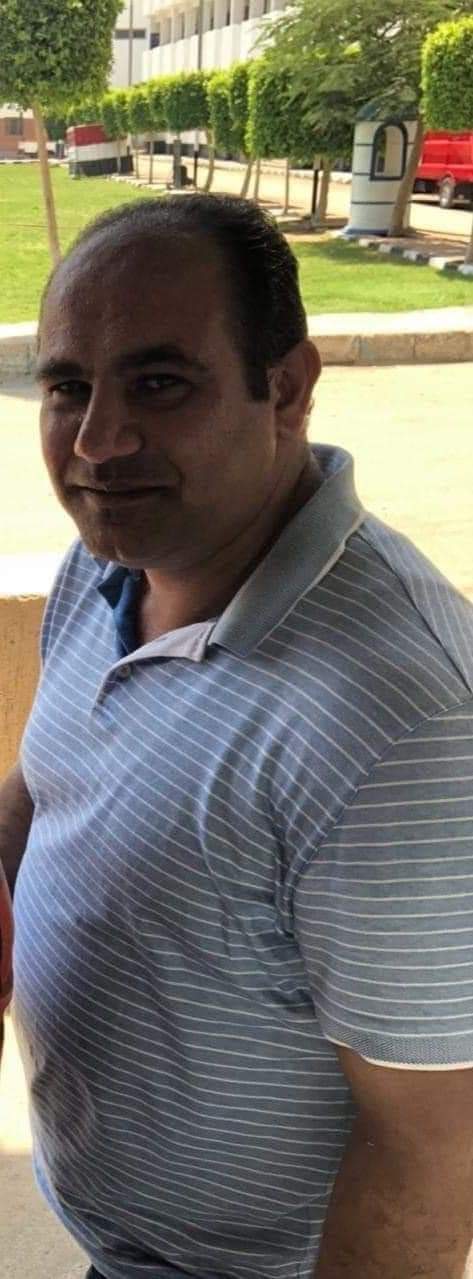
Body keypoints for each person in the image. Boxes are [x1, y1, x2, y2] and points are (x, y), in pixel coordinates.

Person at [2, 194, 473, 1279]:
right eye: (68, 387)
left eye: (160, 383)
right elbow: (50, 782)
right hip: (119, 1247)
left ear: (289, 388)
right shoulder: (113, 563)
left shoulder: (400, 728)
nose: (98, 441)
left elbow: (431, 1159)